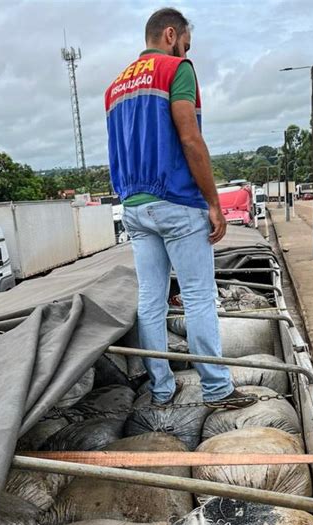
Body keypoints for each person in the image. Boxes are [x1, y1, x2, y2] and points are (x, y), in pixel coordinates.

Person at [105, 7, 256, 409]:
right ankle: (217, 389)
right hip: (175, 200)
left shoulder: (115, 86)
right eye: (186, 43)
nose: (187, 50)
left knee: (150, 301)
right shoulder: (177, 69)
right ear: (171, 35)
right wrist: (214, 204)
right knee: (198, 297)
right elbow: (190, 139)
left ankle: (161, 390)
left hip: (134, 206)